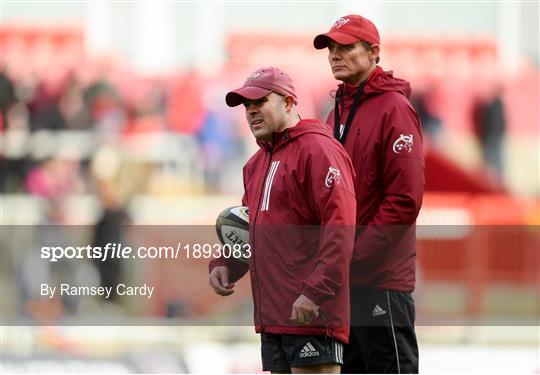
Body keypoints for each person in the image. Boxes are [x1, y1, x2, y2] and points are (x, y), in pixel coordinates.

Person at [208, 66, 356, 373]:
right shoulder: (255, 164)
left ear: (288, 103)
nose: (251, 112)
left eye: (260, 102)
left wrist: (315, 292)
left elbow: (340, 230)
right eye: (246, 106)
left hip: (311, 312)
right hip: (274, 316)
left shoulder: (319, 150)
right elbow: (252, 229)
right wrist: (226, 263)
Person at [313, 15, 425, 373]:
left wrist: (353, 255)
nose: (334, 54)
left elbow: (405, 200)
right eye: (331, 47)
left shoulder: (394, 109)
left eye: (345, 47)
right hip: (345, 283)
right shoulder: (336, 110)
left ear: (373, 52)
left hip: (381, 282)